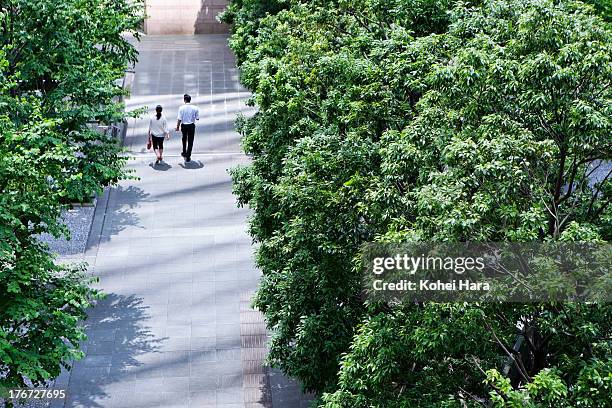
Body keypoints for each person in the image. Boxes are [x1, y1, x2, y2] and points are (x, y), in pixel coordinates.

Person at [176, 94, 200, 163]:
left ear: (184, 100)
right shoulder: (195, 108)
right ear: (190, 100)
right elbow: (197, 118)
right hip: (191, 126)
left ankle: (184, 152)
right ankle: (188, 156)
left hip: (184, 125)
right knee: (190, 140)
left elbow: (179, 119)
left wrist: (177, 126)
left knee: (184, 138)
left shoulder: (181, 108)